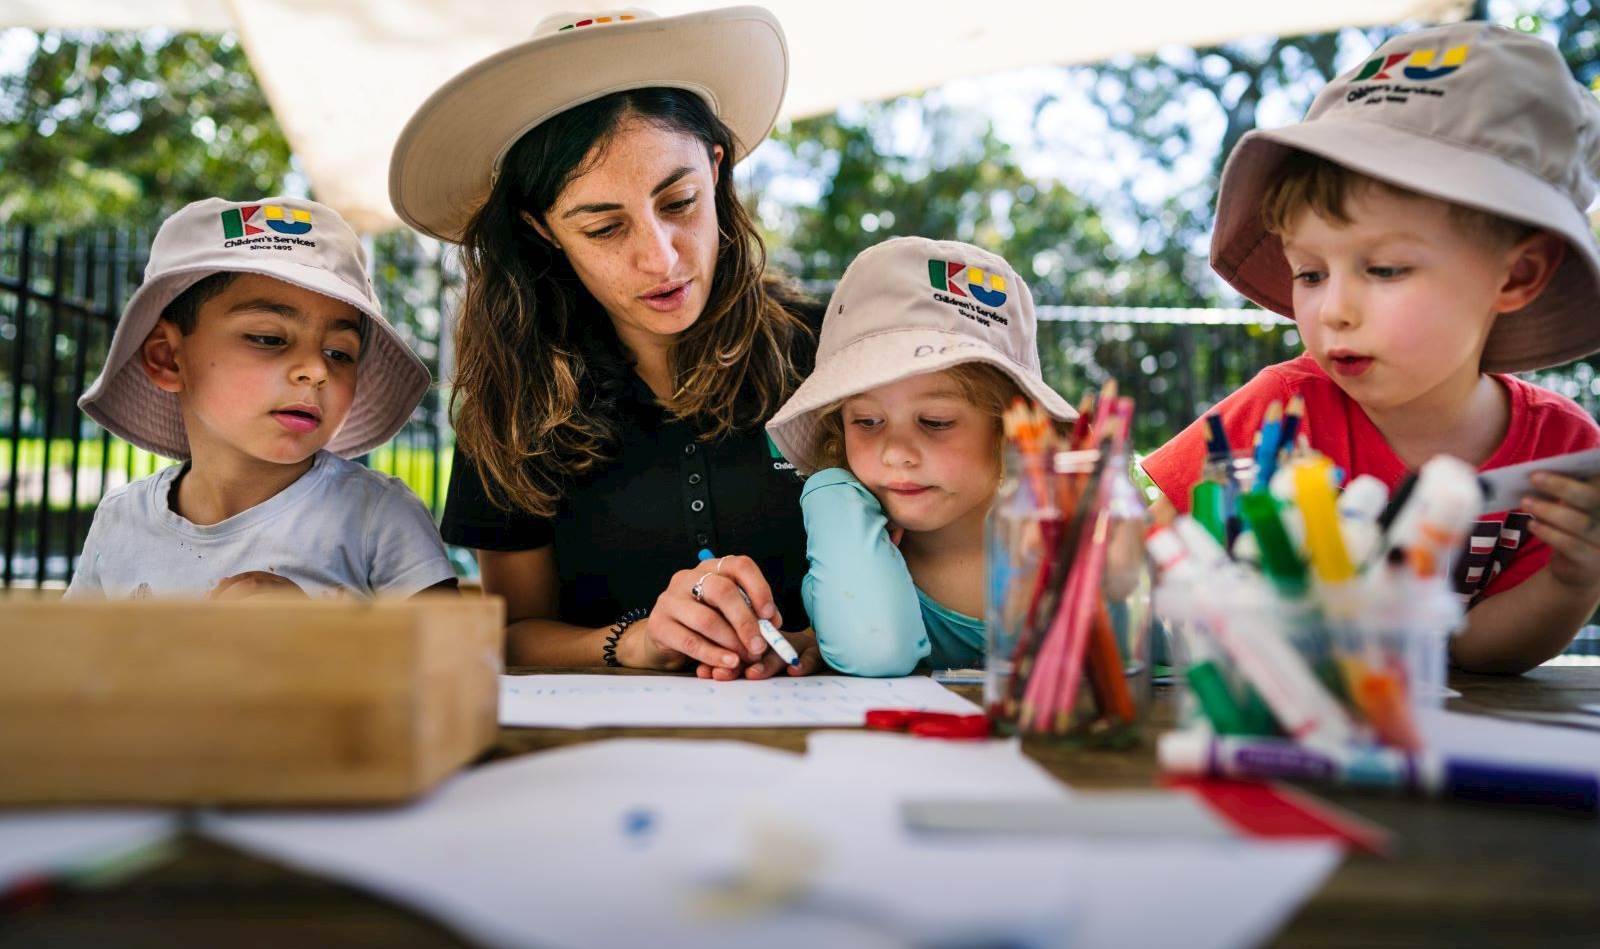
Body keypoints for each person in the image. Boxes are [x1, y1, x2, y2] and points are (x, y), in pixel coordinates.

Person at [1142, 24, 1600, 674]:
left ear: (1517, 275)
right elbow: (1158, 543)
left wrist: (1575, 581)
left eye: (1384, 270)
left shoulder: (1562, 452)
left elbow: (1470, 650)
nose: (1334, 310)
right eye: (1309, 273)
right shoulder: (1280, 408)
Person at [390, 8, 823, 678]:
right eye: (603, 228)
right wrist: (640, 640)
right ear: (542, 230)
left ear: (716, 170)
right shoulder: (511, 398)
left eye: (679, 203)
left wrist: (840, 635)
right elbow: (509, 635)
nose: (661, 258)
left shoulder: (830, 353)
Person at [66, 196, 455, 599]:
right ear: (167, 358)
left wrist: (322, 635)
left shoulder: (378, 518)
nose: (318, 371)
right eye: (269, 339)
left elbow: (458, 657)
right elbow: (67, 658)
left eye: (339, 353)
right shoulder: (120, 521)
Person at [765, 237, 1078, 675]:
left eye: (934, 421)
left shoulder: (1058, 537)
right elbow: (874, 650)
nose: (895, 453)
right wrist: (829, 488)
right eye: (867, 422)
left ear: (1011, 430)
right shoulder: (850, 544)